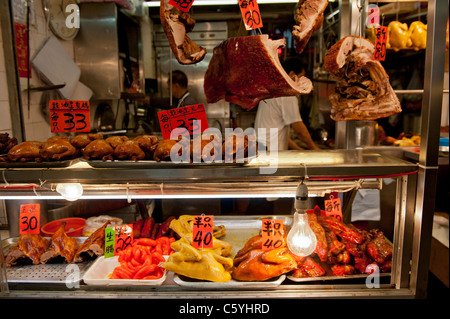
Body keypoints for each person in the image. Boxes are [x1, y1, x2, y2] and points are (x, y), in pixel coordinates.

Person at [254, 59, 319, 151]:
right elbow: (299, 129)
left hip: (263, 148)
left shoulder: (273, 90)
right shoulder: (287, 94)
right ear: (292, 74)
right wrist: (315, 148)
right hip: (272, 151)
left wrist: (298, 149)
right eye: (301, 77)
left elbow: (278, 130)